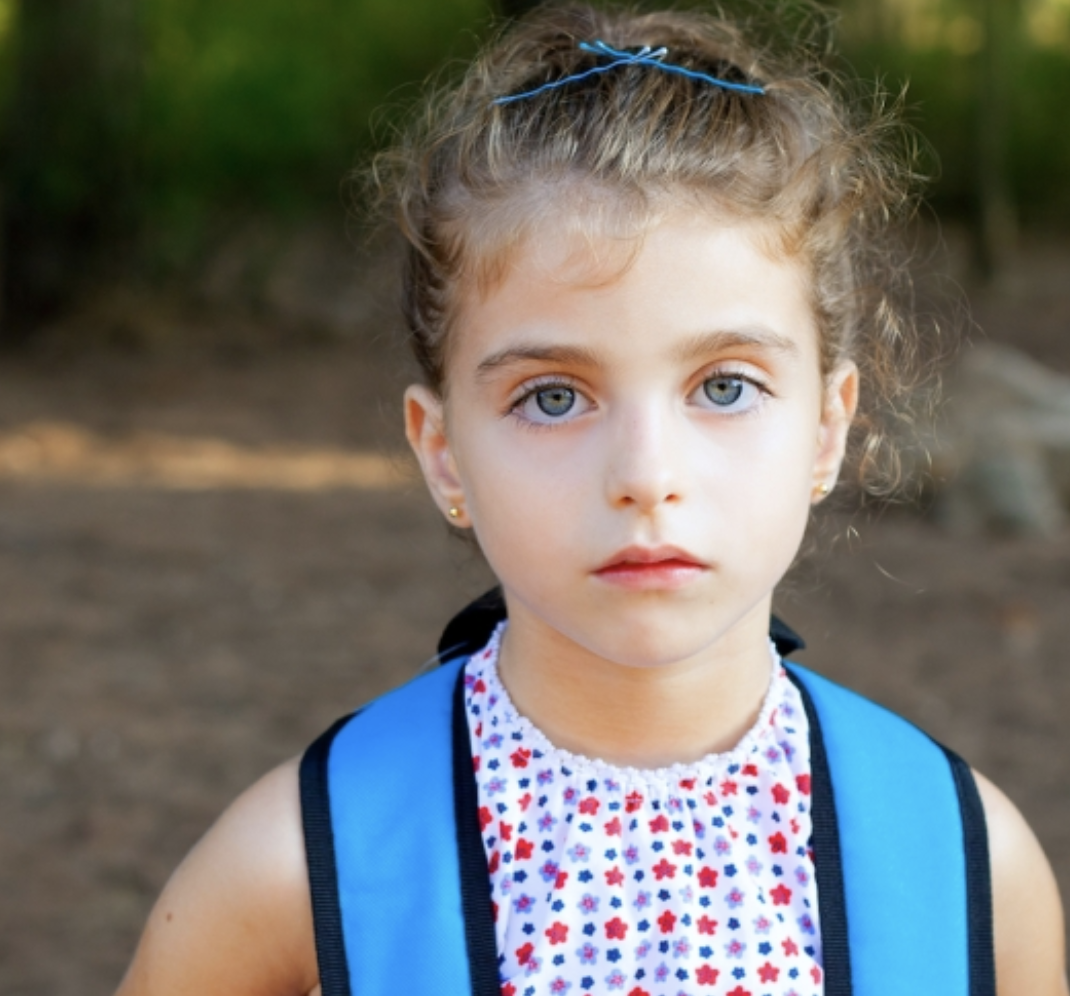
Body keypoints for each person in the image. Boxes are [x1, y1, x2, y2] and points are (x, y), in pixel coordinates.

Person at [115, 4, 1067, 995]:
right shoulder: (297, 871)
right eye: (553, 398)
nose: (646, 474)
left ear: (827, 429)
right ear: (443, 452)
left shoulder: (967, 869)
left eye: (724, 386)